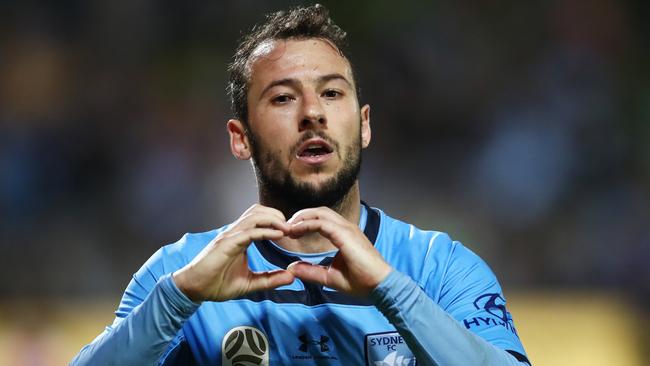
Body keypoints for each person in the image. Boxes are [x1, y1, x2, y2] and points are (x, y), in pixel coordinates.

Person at [72, 4, 530, 365]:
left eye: (332, 92)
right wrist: (180, 298)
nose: (313, 113)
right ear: (240, 138)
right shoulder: (181, 274)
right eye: (284, 98)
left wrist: (394, 292)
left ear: (364, 125)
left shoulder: (438, 269)